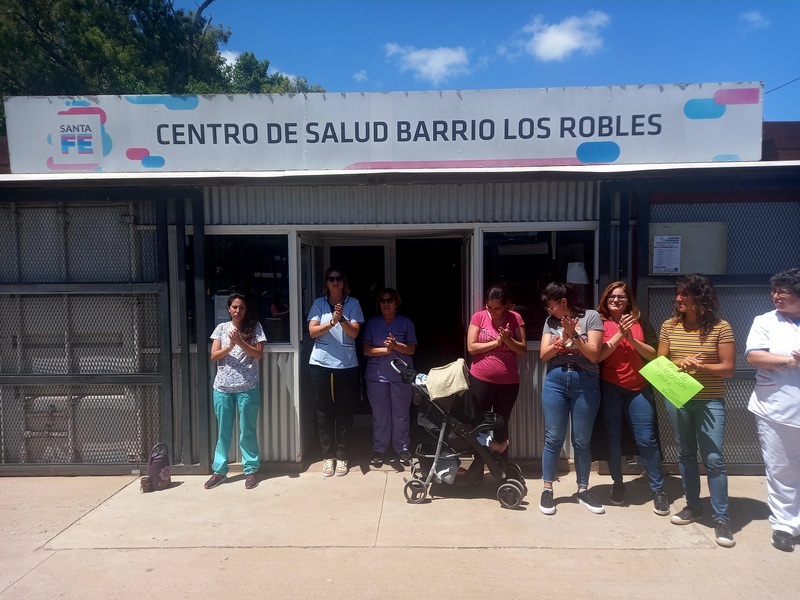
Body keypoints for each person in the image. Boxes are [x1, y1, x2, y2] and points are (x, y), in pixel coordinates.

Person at [658, 273, 735, 548]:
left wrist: (700, 367)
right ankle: (693, 506)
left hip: (710, 400)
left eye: (684, 294)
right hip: (678, 396)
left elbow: (728, 368)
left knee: (713, 458)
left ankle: (722, 518)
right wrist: (681, 361)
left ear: (700, 298)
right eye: (677, 293)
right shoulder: (669, 325)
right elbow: (661, 360)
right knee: (686, 453)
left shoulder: (721, 327)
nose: (678, 298)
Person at [596, 281, 669, 515]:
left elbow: (655, 354)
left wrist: (631, 338)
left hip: (639, 387)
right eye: (611, 298)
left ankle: (658, 489)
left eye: (621, 297)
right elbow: (597, 356)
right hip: (610, 387)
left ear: (629, 300)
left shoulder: (640, 320)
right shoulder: (599, 322)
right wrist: (619, 335)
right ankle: (618, 484)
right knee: (613, 438)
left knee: (646, 439)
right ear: (605, 301)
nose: (616, 301)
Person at [745, 268, 800, 552]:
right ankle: (785, 525)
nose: (776, 296)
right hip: (777, 408)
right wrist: (790, 362)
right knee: (782, 470)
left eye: (783, 291)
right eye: (774, 291)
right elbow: (755, 355)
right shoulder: (766, 321)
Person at [539, 281, 605, 515]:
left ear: (563, 302)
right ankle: (547, 489)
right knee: (553, 438)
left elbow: (594, 354)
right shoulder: (550, 322)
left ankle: (583, 489)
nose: (549, 311)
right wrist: (560, 343)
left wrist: (574, 336)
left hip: (585, 381)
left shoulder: (591, 317)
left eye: (551, 306)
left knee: (582, 441)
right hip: (556, 381)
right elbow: (543, 354)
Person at [205, 292, 267, 490]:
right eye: (234, 307)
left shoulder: (255, 327)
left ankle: (250, 470)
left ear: (246, 309)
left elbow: (258, 354)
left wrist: (240, 342)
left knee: (247, 431)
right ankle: (219, 471)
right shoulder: (221, 329)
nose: (237, 310)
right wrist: (231, 345)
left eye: (241, 307)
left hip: (247, 387)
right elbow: (214, 356)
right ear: (229, 309)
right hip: (222, 389)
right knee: (223, 431)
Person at [307, 268, 365, 477]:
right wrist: (331, 321)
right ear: (327, 283)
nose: (335, 282)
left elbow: (355, 332)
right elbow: (312, 331)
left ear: (344, 282)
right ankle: (327, 456)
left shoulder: (354, 303)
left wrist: (341, 319)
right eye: (331, 279)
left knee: (344, 411)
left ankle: (342, 456)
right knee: (323, 411)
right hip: (321, 364)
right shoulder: (318, 304)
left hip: (346, 364)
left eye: (339, 278)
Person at [466, 284, 526, 454]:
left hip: (508, 382)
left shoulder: (515, 318)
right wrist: (496, 343)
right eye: (489, 307)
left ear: (506, 305)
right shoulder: (479, 317)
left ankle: (501, 469)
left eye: (497, 308)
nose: (492, 311)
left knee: (501, 422)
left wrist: (508, 340)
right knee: (479, 424)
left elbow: (522, 349)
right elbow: (471, 347)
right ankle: (479, 466)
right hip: (480, 378)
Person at [362, 288, 418, 467]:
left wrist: (396, 345)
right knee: (380, 414)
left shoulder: (406, 323)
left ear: (396, 303)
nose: (386, 304)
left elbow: (411, 349)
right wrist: (387, 350)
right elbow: (366, 350)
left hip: (401, 375)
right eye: (382, 301)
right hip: (377, 376)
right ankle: (379, 449)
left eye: (390, 300)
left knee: (401, 414)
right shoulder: (372, 324)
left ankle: (402, 448)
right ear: (379, 304)